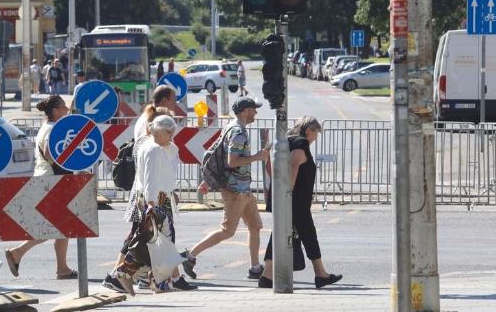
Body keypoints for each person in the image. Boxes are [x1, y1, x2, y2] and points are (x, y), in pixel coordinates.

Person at [181, 97, 270, 280]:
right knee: (227, 231)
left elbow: (216, 153)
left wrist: (208, 180)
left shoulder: (232, 127)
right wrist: (257, 157)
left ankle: (255, 268)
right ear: (245, 111)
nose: (256, 112)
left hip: (242, 188)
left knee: (255, 226)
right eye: (254, 109)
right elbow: (232, 161)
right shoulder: (238, 132)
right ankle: (190, 255)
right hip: (235, 189)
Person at [109, 115, 195, 295]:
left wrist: (172, 192)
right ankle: (125, 274)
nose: (172, 136)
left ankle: (155, 281)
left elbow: (165, 173)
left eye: (173, 132)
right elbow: (149, 179)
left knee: (157, 242)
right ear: (157, 131)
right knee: (158, 241)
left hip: (160, 198)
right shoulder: (153, 149)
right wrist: (151, 203)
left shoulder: (157, 146)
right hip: (155, 200)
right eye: (168, 132)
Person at [258, 116, 342, 289]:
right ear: (309, 130)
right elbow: (295, 163)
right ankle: (320, 274)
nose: (316, 138)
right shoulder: (301, 143)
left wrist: (279, 189)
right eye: (316, 133)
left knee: (279, 233)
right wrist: (288, 190)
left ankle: (267, 275)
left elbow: (268, 165)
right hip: (294, 201)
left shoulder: (284, 141)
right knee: (309, 234)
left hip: (286, 199)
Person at [4, 95, 78, 280]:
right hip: (51, 180)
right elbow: (48, 152)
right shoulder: (53, 129)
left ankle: (62, 268)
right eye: (63, 107)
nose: (66, 110)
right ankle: (18, 252)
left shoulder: (47, 126)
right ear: (55, 111)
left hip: (47, 179)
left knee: (61, 226)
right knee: (54, 227)